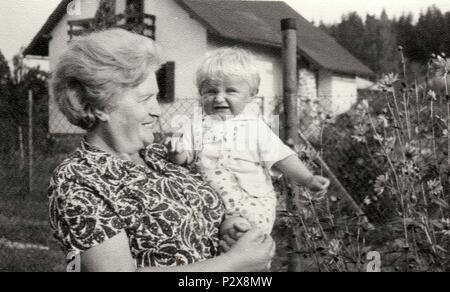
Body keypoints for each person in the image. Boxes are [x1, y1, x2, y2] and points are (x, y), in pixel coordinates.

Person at [48, 29, 274, 272]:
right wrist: (233, 263)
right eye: (145, 99)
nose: (157, 110)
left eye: (156, 97)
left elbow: (201, 215)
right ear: (100, 105)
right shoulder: (78, 180)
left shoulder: (159, 155)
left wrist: (230, 228)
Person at [166, 48, 330, 235]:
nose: (219, 98)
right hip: (209, 206)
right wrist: (176, 152)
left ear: (251, 94)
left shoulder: (255, 127)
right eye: (210, 91)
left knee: (242, 238)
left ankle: (243, 245)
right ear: (200, 93)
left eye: (231, 91)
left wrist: (307, 179)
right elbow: (184, 157)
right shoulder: (195, 125)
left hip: (250, 203)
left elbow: (281, 157)